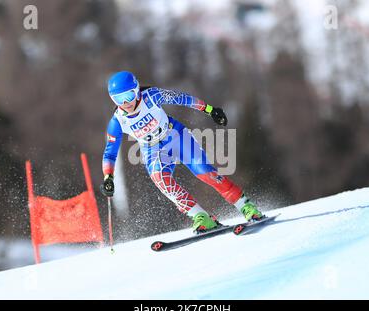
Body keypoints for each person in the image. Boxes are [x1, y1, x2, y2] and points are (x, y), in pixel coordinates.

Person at [100, 71, 265, 234]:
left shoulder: (152, 96)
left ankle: (246, 206)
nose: (125, 103)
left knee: (204, 172)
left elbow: (182, 98)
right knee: (161, 181)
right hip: (152, 149)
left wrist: (210, 110)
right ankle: (201, 217)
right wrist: (108, 177)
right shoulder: (117, 121)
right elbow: (110, 153)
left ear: (136, 90)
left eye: (128, 96)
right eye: (118, 99)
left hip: (175, 135)